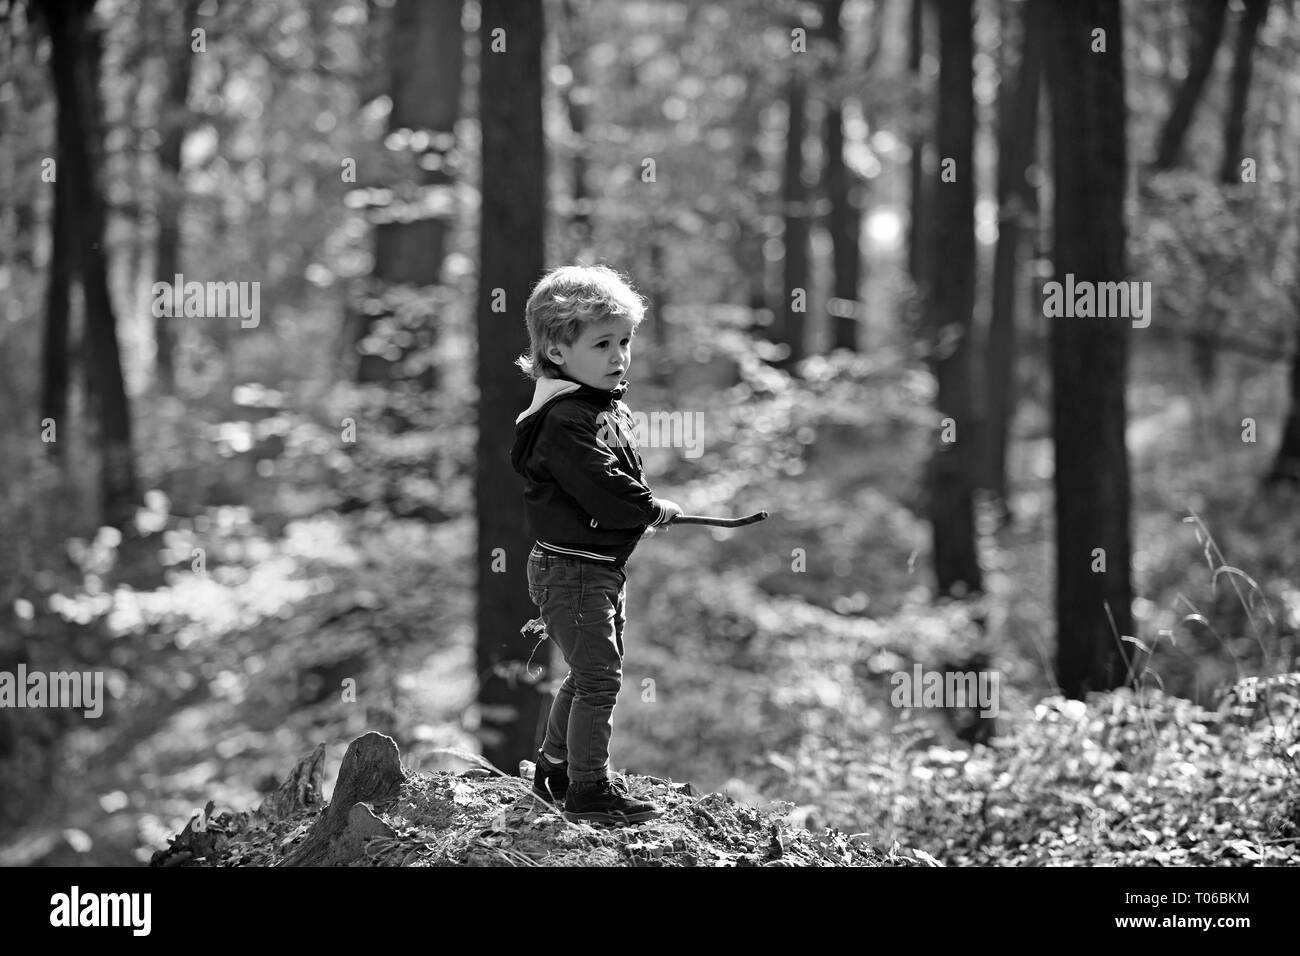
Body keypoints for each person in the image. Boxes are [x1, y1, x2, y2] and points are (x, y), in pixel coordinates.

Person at [509, 263, 682, 825]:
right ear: (557, 351)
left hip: (596, 567)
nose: (619, 356)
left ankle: (556, 768)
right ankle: (589, 792)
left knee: (587, 675)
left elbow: (616, 474)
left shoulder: (599, 407)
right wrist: (650, 509)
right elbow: (602, 486)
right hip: (573, 570)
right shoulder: (564, 421)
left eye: (625, 341)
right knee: (600, 680)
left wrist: (646, 506)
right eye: (602, 343)